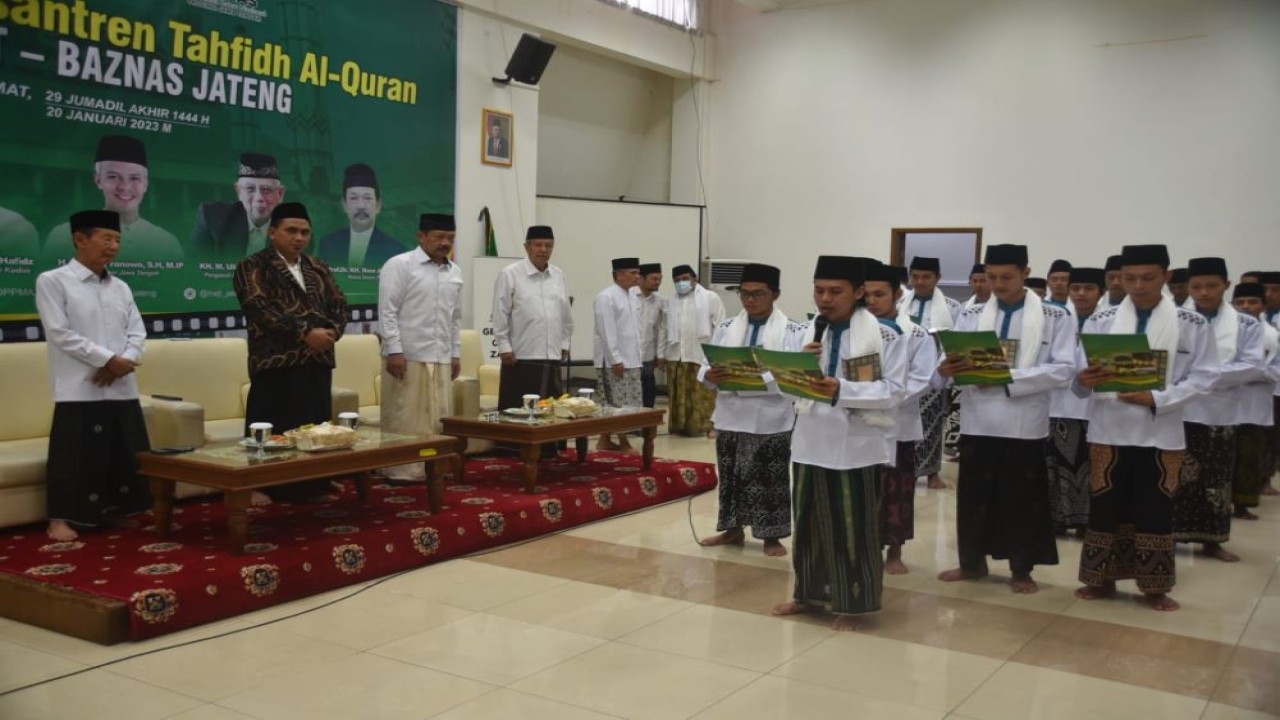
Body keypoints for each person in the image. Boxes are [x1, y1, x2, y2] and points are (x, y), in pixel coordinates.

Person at [1073, 244, 1216, 612]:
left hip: (1161, 431)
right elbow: (1079, 374)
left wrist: (1156, 397)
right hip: (1108, 429)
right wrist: (1084, 379)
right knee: (1105, 506)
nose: (1138, 285)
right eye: (1129, 278)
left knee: (1154, 507)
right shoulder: (1101, 320)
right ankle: (1099, 578)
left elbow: (1205, 377)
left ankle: (1155, 586)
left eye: (1148, 278)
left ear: (1166, 277)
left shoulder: (1192, 323)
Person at [771, 256, 907, 631]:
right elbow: (782, 387)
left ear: (859, 292)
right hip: (810, 440)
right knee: (809, 524)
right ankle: (807, 595)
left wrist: (840, 389)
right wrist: (794, 369)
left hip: (856, 445)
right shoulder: (807, 332)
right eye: (819, 290)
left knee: (853, 528)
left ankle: (853, 603)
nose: (825, 299)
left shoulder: (885, 335)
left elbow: (894, 391)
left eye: (835, 291)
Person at [936, 244, 1073, 594]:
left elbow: (1063, 369)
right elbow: (952, 359)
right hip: (978, 419)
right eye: (992, 277)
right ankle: (971, 562)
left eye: (1007, 277)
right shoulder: (971, 314)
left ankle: (1021, 568)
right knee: (973, 496)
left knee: (1020, 498)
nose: (998, 284)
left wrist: (1005, 377)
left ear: (1025, 273)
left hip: (1023, 423)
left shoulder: (1055, 316)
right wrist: (947, 368)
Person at [35, 210, 150, 542]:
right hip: (79, 386)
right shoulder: (53, 281)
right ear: (80, 239)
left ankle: (111, 510)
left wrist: (124, 361)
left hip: (121, 383)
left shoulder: (121, 286)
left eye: (118, 240)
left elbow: (137, 332)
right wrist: (107, 360)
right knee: (72, 455)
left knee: (120, 452)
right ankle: (60, 519)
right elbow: (60, 333)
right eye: (106, 238)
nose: (113, 246)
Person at [233, 202, 348, 501]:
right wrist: (305, 333)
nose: (298, 238)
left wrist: (331, 333)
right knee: (273, 426)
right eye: (291, 231)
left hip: (317, 360)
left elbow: (339, 304)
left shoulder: (317, 267)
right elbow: (259, 307)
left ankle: (314, 482)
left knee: (315, 427)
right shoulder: (253, 266)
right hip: (276, 361)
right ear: (273, 232)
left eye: (305, 232)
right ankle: (262, 484)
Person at [698, 263, 795, 557]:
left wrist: (758, 378)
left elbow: (794, 375)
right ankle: (732, 529)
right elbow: (706, 365)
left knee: (769, 479)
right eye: (744, 294)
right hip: (731, 413)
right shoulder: (727, 327)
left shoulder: (792, 330)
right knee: (732, 475)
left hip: (770, 416)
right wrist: (709, 375)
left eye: (758, 294)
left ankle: (771, 535)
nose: (750, 300)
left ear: (775, 294)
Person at [1171, 257, 1264, 561]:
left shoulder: (1246, 324)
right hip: (1179, 410)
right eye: (1196, 286)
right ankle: (1169, 536)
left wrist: (1204, 375)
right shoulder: (1174, 318)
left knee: (1216, 479)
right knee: (1175, 477)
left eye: (1211, 286)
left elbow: (1252, 365)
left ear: (1226, 285)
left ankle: (1212, 541)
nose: (1204, 292)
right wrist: (1195, 377)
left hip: (1219, 413)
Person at [864, 263, 938, 574]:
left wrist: (884, 396)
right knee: (866, 489)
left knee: (896, 490)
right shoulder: (855, 329)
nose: (871, 301)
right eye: (866, 295)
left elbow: (923, 378)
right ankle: (865, 547)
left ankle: (895, 550)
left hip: (899, 422)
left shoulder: (916, 334)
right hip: (859, 422)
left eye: (879, 294)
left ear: (896, 294)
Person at [378, 214, 461, 480]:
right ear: (421, 236)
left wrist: (455, 353)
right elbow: (387, 311)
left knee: (438, 418)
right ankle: (400, 470)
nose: (445, 242)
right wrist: (394, 350)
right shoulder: (400, 265)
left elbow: (455, 318)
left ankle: (435, 468)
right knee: (405, 417)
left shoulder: (455, 272)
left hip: (441, 356)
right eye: (438, 237)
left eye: (450, 238)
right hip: (407, 356)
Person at [44, 136, 182, 263]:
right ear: (98, 180)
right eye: (113, 177)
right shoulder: (66, 236)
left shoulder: (167, 243)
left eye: (134, 178)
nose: (125, 186)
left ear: (145, 184)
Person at [1046, 266, 1105, 536]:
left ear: (1100, 292)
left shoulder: (1110, 321)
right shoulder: (1055, 318)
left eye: (1089, 288)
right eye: (1076, 288)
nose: (1081, 293)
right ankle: (1056, 520)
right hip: (1056, 403)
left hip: (1094, 406)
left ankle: (1086, 522)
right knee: (1055, 464)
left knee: (1088, 465)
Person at [492, 225, 573, 410]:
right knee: (518, 411)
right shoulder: (510, 274)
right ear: (527, 247)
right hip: (521, 357)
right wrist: (504, 346)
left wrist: (564, 343)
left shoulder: (558, 275)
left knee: (552, 411)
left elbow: (566, 315)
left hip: (552, 355)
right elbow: (500, 313)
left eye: (548, 245)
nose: (543, 250)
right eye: (538, 245)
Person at [897, 256, 960, 489]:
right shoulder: (900, 303)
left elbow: (954, 340)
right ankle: (909, 471)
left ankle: (932, 472)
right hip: (906, 372)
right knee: (907, 423)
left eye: (926, 277)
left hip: (936, 372)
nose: (920, 282)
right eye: (915, 276)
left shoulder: (953, 307)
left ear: (938, 278)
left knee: (932, 424)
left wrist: (940, 368)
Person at [1230, 282, 1280, 515]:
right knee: (1224, 457)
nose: (1246, 306)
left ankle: (1244, 505)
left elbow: (1276, 370)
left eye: (1252, 302)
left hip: (1255, 405)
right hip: (1226, 405)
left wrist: (1254, 372)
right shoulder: (1225, 331)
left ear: (1263, 305)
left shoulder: (1272, 335)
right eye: (1240, 302)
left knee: (1249, 457)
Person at [665, 264, 726, 437]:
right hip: (677, 354)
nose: (681, 283)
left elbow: (721, 326)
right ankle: (681, 427)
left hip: (701, 354)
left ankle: (708, 426)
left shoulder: (710, 297)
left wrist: (717, 354)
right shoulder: (671, 300)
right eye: (677, 280)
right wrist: (661, 354)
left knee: (704, 394)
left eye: (685, 278)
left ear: (695, 278)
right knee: (680, 394)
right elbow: (664, 329)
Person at [192, 152, 286, 263]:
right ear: (238, 191)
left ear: (280, 194)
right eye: (250, 189)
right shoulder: (212, 218)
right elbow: (194, 267)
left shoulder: (296, 228)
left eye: (266, 190)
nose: (259, 198)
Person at [593, 257, 643, 451]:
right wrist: (615, 359)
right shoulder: (606, 297)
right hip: (614, 361)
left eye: (638, 273)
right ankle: (623, 442)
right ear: (619, 274)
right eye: (633, 273)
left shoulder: (633, 296)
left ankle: (604, 440)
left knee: (629, 403)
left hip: (632, 359)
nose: (637, 277)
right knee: (616, 402)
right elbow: (607, 331)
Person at [317, 163, 406, 270]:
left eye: (367, 198)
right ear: (344, 205)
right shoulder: (328, 245)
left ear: (378, 205)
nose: (361, 206)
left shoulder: (395, 250)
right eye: (354, 198)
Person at [631, 262, 667, 409]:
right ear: (641, 278)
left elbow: (661, 329)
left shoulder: (660, 301)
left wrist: (660, 354)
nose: (657, 282)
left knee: (648, 397)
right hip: (629, 356)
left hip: (648, 357)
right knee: (630, 397)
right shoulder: (628, 296)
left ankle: (646, 422)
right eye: (653, 278)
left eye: (659, 279)